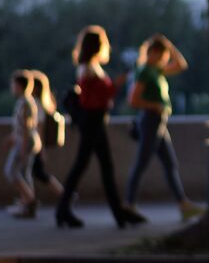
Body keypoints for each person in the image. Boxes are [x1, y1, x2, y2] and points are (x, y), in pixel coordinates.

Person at [56, 26, 145, 229]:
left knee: (95, 166)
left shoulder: (88, 67)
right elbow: (94, 99)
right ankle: (113, 212)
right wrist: (117, 84)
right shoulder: (88, 69)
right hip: (93, 121)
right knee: (90, 166)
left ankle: (113, 211)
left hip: (93, 121)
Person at [126, 34, 204, 222]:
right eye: (162, 54)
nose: (164, 59)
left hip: (159, 122)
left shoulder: (157, 70)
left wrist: (169, 45)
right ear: (152, 53)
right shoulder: (145, 71)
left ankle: (183, 204)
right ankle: (129, 204)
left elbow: (181, 65)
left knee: (170, 164)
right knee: (141, 163)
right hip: (151, 120)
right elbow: (133, 100)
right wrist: (155, 106)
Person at [3, 70, 41, 218]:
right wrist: (11, 138)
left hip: (26, 142)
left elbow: (26, 127)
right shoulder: (25, 101)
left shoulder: (25, 102)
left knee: (11, 171)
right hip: (26, 140)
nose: (12, 88)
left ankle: (30, 200)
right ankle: (27, 204)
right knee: (24, 173)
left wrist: (23, 147)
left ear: (19, 85)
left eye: (13, 85)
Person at [28, 70, 65, 202]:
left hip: (35, 145)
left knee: (37, 173)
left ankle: (64, 194)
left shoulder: (36, 104)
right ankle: (28, 199)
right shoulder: (39, 104)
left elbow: (40, 127)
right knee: (36, 173)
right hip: (36, 144)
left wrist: (41, 148)